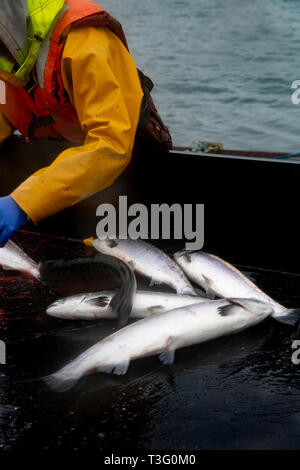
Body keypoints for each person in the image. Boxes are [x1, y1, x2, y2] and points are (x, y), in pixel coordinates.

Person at [0, 0, 172, 245]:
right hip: (52, 175)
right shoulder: (5, 51)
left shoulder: (86, 41)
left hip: (124, 188)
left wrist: (20, 204)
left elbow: (110, 146)